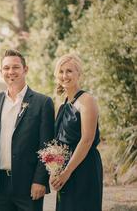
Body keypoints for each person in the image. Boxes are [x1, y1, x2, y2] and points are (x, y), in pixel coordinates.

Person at [0, 49, 55, 211]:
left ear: (25, 69)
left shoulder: (43, 103)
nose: (11, 72)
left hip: (28, 185)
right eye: (6, 68)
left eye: (15, 67)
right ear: (1, 72)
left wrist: (40, 180)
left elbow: (47, 147)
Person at [50, 54, 102, 211]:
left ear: (79, 74)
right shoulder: (61, 103)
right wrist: (54, 170)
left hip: (84, 166)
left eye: (69, 71)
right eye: (61, 71)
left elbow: (87, 140)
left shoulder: (87, 100)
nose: (64, 76)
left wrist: (67, 172)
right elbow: (58, 142)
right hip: (65, 167)